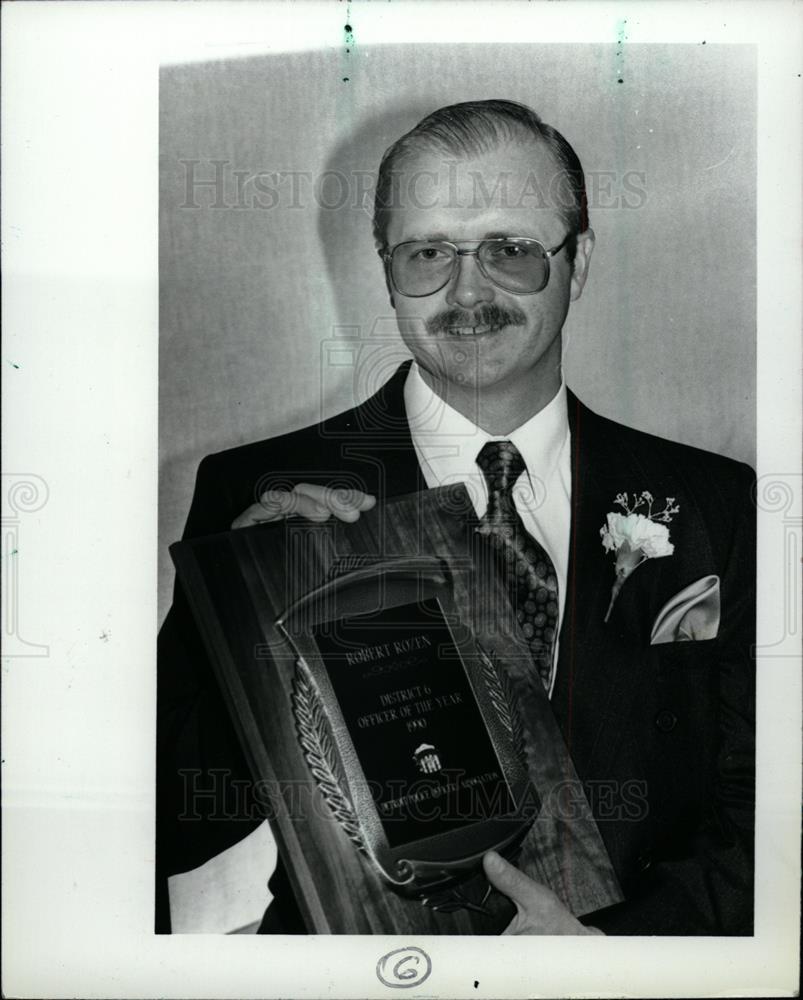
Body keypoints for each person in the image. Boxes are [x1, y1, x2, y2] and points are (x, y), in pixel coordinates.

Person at [157, 99, 755, 936]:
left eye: (511, 250)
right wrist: (250, 625)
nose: (465, 291)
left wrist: (613, 953)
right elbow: (163, 831)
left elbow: (761, 807)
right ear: (385, 267)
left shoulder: (715, 504)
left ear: (577, 262)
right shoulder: (261, 494)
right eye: (428, 251)